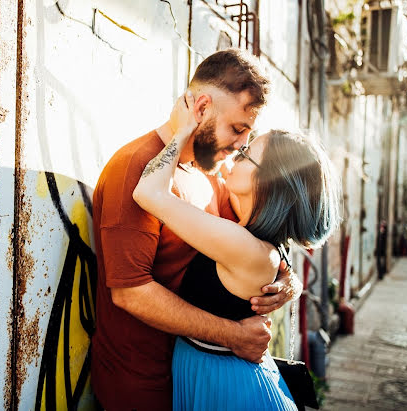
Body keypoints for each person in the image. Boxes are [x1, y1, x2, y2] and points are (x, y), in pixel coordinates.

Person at [90, 48, 303, 410]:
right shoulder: (136, 168)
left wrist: (287, 282)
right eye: (237, 129)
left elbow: (249, 245)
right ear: (201, 108)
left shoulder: (208, 175)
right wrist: (234, 335)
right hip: (141, 384)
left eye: (247, 136)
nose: (239, 146)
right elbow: (131, 293)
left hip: (191, 379)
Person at [132, 91, 340, 410]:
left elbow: (147, 192)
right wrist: (292, 283)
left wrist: (184, 128)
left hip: (229, 387)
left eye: (245, 154)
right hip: (219, 377)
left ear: (269, 181)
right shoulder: (254, 237)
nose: (232, 157)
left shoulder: (244, 246)